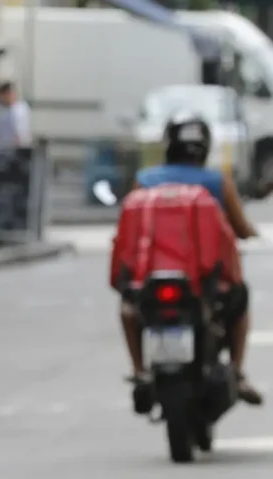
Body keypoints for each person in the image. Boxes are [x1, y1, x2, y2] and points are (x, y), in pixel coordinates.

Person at [123, 112, 262, 406]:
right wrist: (250, 232)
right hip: (205, 281)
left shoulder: (145, 180)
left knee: (128, 308)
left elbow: (127, 230)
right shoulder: (216, 182)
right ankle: (237, 372)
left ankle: (138, 370)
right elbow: (241, 228)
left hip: (150, 278)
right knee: (241, 301)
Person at [0, 82, 31, 150]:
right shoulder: (9, 110)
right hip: (7, 150)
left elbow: (19, 135)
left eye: (0, 97)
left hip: (15, 151)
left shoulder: (18, 110)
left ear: (7, 94)